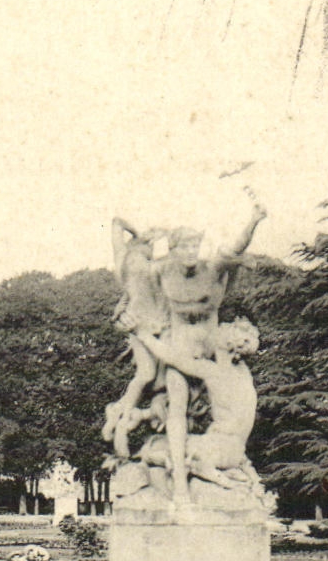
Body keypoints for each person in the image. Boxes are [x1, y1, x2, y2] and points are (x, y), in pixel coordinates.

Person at [150, 204, 266, 501]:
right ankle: (179, 484)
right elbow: (144, 295)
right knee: (177, 403)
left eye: (195, 246)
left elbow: (235, 247)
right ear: (173, 249)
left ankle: (223, 463)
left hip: (211, 344)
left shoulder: (211, 268)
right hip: (180, 342)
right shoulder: (161, 271)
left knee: (225, 401)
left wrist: (253, 220)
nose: (191, 252)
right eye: (185, 246)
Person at [134, 318, 264, 492]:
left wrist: (142, 334)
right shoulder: (243, 373)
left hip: (217, 449)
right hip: (236, 452)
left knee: (156, 446)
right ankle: (227, 475)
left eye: (220, 331)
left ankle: (194, 477)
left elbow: (172, 358)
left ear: (227, 344)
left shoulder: (213, 371)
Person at [102, 218, 172, 459]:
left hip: (160, 323)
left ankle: (121, 415)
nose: (151, 249)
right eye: (148, 245)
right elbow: (116, 222)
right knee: (148, 374)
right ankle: (120, 417)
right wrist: (138, 232)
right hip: (140, 323)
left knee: (159, 380)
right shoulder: (124, 257)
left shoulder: (150, 264)